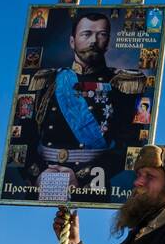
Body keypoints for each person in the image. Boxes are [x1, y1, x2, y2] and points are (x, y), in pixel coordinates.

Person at [15, 11, 146, 196]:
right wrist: (37, 173)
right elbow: (21, 138)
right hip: (43, 181)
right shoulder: (47, 80)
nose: (94, 40)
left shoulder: (122, 84)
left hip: (91, 186)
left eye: (101, 34)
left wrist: (83, 177)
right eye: (86, 34)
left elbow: (130, 147)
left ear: (108, 42)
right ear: (72, 41)